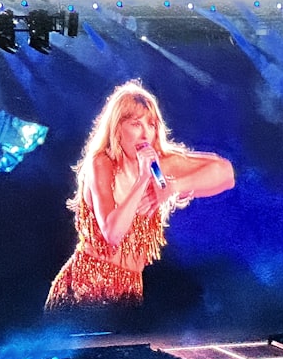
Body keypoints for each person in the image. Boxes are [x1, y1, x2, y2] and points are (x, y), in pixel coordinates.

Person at [45, 80, 235, 310]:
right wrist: (144, 178)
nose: (146, 133)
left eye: (152, 124)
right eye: (136, 124)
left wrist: (175, 187)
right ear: (118, 129)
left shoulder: (161, 162)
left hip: (130, 289)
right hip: (86, 285)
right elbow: (112, 233)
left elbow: (225, 173)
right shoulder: (102, 163)